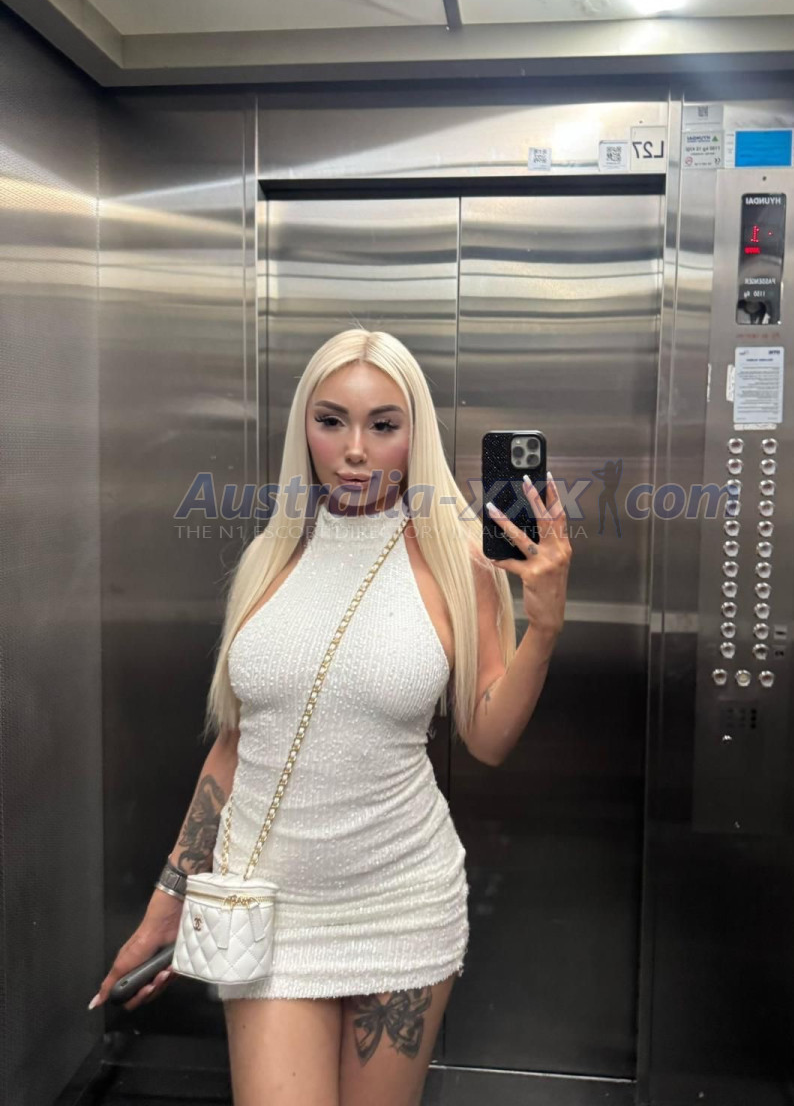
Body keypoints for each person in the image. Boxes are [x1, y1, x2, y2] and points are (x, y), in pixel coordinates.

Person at [91, 328, 572, 1105]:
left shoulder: (459, 560)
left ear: (415, 433)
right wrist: (166, 902)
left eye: (383, 425)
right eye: (331, 420)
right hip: (267, 912)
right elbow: (239, 746)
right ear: (303, 428)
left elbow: (487, 739)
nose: (354, 449)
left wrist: (543, 628)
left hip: (402, 905)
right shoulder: (270, 555)